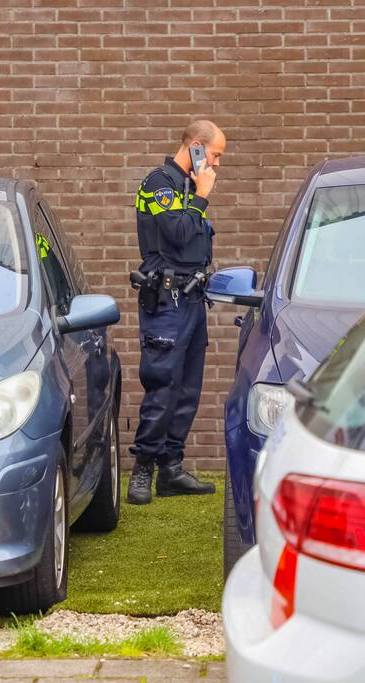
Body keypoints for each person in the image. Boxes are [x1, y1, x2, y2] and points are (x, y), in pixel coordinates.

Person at [127, 120, 226, 505]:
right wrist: (202, 195)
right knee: (162, 383)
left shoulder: (186, 186)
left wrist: (198, 193)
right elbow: (179, 233)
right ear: (197, 146)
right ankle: (142, 471)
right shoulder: (160, 184)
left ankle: (171, 468)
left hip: (191, 298)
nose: (216, 163)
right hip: (166, 299)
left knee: (187, 387)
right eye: (214, 153)